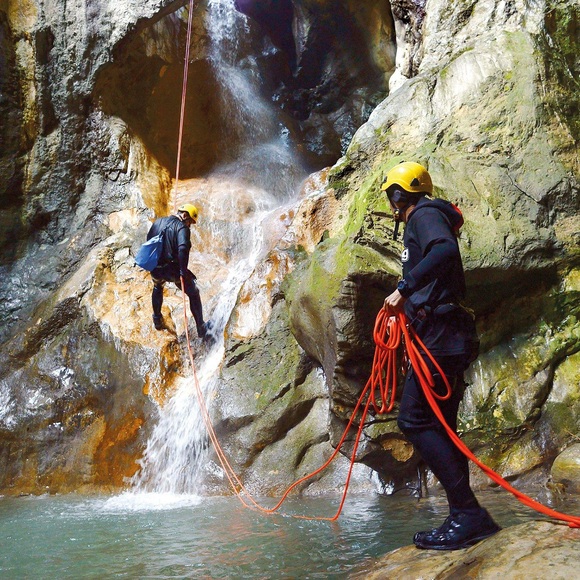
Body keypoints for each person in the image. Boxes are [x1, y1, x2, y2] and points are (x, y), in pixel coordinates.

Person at [381, 161, 500, 550]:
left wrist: (405, 287)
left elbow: (445, 249)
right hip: (442, 333)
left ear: (399, 195)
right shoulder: (429, 216)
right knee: (443, 427)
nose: (392, 203)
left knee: (414, 420)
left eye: (391, 195)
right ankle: (466, 517)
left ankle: (467, 514)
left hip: (442, 335)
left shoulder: (425, 214)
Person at [148, 204, 212, 340]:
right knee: (193, 293)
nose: (189, 226)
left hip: (155, 267)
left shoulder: (158, 221)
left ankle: (157, 320)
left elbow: (149, 239)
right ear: (185, 215)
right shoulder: (182, 227)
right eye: (190, 222)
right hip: (171, 270)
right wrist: (183, 271)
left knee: (157, 286)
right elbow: (183, 248)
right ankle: (201, 328)